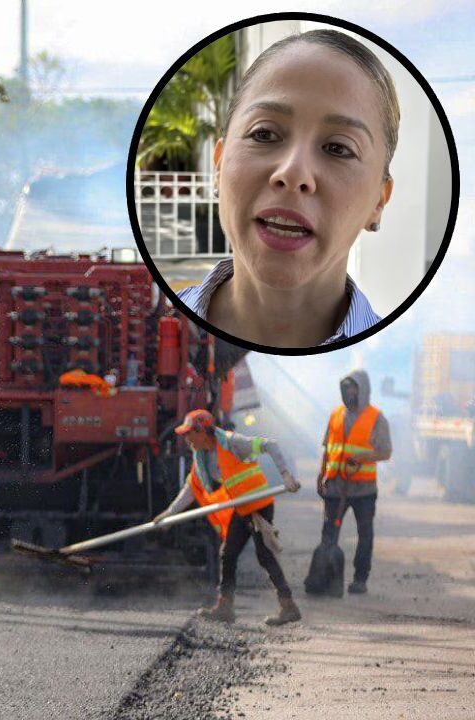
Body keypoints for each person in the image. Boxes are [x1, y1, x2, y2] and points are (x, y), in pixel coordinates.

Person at [177, 30, 397, 348]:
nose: (292, 173)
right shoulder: (150, 334)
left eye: (338, 148)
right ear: (219, 164)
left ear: (379, 201)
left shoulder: (383, 357)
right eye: (264, 134)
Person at [155, 409, 303, 626]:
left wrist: (286, 475)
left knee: (264, 555)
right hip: (241, 508)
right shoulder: (202, 458)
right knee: (228, 553)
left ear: (202, 432)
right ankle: (225, 607)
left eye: (189, 433)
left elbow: (269, 445)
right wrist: (169, 513)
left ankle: (288, 606)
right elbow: (191, 488)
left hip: (259, 506)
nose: (186, 439)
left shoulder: (232, 443)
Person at [315, 369, 391, 594]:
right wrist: (321, 476)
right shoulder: (336, 414)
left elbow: (386, 452)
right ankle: (326, 578)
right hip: (336, 486)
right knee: (329, 533)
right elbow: (328, 449)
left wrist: (362, 457)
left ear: (363, 389)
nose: (349, 392)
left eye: (354, 387)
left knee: (364, 534)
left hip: (364, 490)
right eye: (346, 387)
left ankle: (360, 579)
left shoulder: (377, 418)